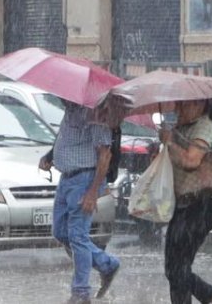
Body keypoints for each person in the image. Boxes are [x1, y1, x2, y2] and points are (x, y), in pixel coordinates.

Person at [39, 99, 121, 304]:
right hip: (66, 178)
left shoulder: (95, 114)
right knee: (60, 232)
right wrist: (50, 156)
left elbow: (105, 155)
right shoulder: (70, 110)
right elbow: (66, 139)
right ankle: (106, 264)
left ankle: (81, 292)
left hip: (84, 179)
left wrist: (92, 192)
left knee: (78, 236)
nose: (59, 97)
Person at [160, 98, 212, 304]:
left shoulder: (205, 127)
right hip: (182, 204)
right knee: (174, 269)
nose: (178, 108)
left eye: (184, 104)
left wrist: (169, 142)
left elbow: (191, 160)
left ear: (200, 105)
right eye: (177, 103)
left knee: (177, 269)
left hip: (199, 206)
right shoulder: (182, 127)